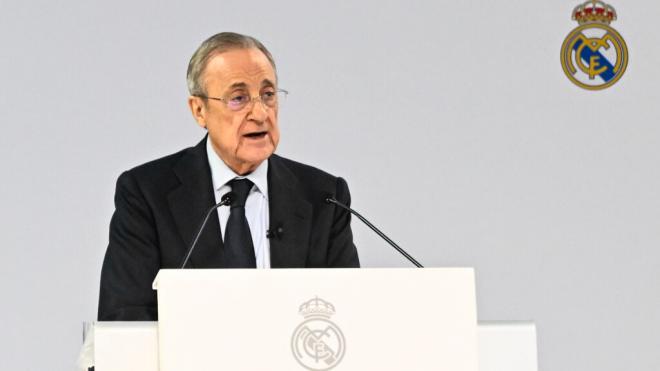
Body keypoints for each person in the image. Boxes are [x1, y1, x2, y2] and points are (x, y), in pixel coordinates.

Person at [98, 32, 360, 321]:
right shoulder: (146, 194)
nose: (260, 113)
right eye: (238, 98)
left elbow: (349, 316)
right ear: (199, 110)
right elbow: (124, 321)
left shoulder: (324, 197)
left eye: (268, 95)